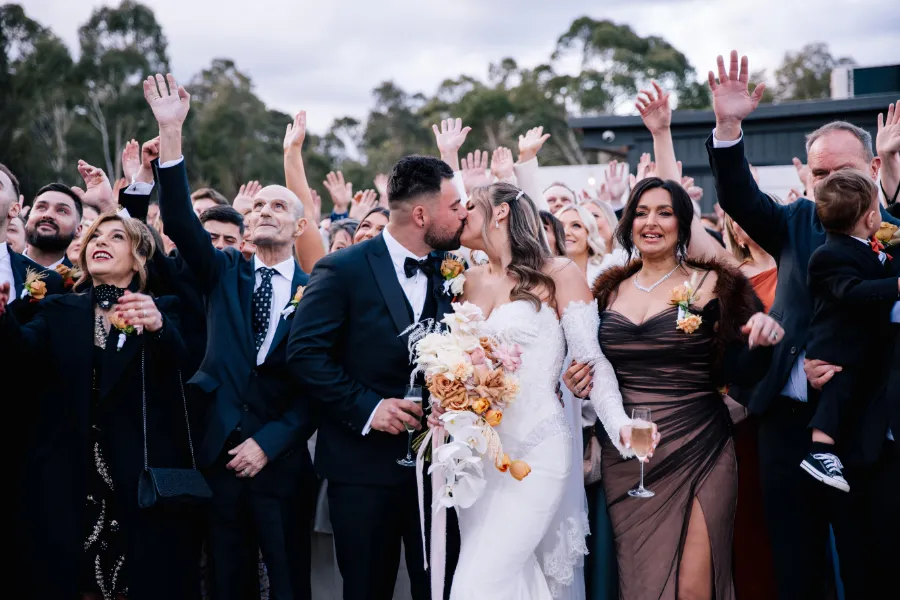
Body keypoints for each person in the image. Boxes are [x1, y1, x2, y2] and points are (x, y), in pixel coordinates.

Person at [705, 50, 900, 599]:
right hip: (788, 426)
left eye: (845, 170)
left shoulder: (892, 230)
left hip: (867, 428)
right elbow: (740, 196)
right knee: (796, 569)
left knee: (871, 568)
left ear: (874, 168)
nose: (831, 181)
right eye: (820, 173)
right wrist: (727, 126)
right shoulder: (792, 222)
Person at [567, 176, 783, 600]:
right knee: (645, 583)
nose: (652, 222)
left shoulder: (715, 284)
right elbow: (593, 368)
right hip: (631, 453)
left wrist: (758, 342)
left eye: (664, 213)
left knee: (694, 586)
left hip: (700, 443)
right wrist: (577, 382)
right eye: (642, 212)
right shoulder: (607, 291)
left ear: (683, 225)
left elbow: (743, 369)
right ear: (628, 222)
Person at [145, 73, 317, 600]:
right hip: (217, 457)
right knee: (225, 583)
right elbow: (177, 217)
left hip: (283, 463)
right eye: (257, 206)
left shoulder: (320, 293)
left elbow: (321, 384)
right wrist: (171, 132)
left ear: (300, 225)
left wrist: (268, 444)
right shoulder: (224, 273)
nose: (264, 211)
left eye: (277, 206)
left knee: (289, 584)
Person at [430, 182, 638, 600]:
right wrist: (445, 399)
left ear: (502, 212)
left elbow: (590, 360)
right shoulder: (466, 281)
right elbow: (458, 362)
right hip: (479, 459)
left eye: (470, 206)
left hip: (537, 450)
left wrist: (618, 423)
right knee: (510, 577)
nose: (462, 214)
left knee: (480, 582)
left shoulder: (559, 272)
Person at [287, 151, 467, 600]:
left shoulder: (456, 272)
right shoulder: (342, 268)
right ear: (422, 214)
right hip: (361, 469)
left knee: (441, 588)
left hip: (439, 471)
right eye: (455, 207)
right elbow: (305, 354)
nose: (463, 216)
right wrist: (370, 408)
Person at [0, 212, 200, 600]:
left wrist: (160, 328)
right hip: (68, 478)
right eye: (95, 237)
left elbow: (184, 369)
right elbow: (19, 359)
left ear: (139, 256)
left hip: (137, 482)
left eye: (116, 237)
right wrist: (2, 318)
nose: (101, 243)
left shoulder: (162, 309)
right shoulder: (58, 309)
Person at [801, 170, 900, 491]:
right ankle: (820, 451)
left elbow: (883, 252)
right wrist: (895, 285)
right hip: (835, 346)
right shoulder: (829, 254)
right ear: (872, 217)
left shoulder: (865, 244)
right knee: (837, 393)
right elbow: (852, 291)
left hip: (858, 348)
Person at [23, 182, 83, 269]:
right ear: (28, 218)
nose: (48, 215)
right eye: (41, 207)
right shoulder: (4, 267)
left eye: (62, 211)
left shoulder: (85, 281)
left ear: (78, 229)